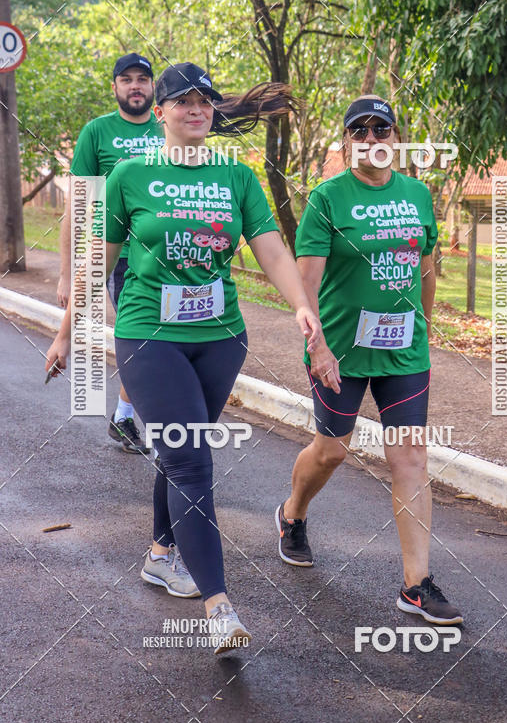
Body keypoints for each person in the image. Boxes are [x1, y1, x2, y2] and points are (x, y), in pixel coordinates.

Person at [46, 62, 321, 653]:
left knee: (180, 453)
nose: (196, 109)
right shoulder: (130, 174)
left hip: (221, 338)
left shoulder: (236, 176)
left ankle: (160, 552)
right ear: (162, 112)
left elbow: (272, 252)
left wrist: (303, 307)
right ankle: (219, 607)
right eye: (183, 101)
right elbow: (99, 260)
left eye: (205, 101)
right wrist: (66, 332)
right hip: (150, 335)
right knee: (193, 461)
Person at [276, 95, 463, 626]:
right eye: (360, 130)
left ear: (395, 138)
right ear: (347, 142)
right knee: (331, 451)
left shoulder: (417, 194)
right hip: (340, 348)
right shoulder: (328, 199)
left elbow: (425, 269)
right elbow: (306, 284)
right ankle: (292, 514)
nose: (372, 138)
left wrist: (424, 329)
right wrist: (316, 346)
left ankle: (416, 585)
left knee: (410, 458)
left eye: (382, 129)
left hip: (404, 350)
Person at [57, 52, 165, 454]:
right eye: (127, 79)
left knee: (158, 339)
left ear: (153, 87)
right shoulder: (97, 132)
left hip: (167, 255)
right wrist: (67, 274)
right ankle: (138, 420)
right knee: (147, 338)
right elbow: (76, 206)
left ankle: (125, 417)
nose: (135, 86)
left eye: (142, 79)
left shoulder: (167, 125)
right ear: (115, 87)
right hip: (119, 257)